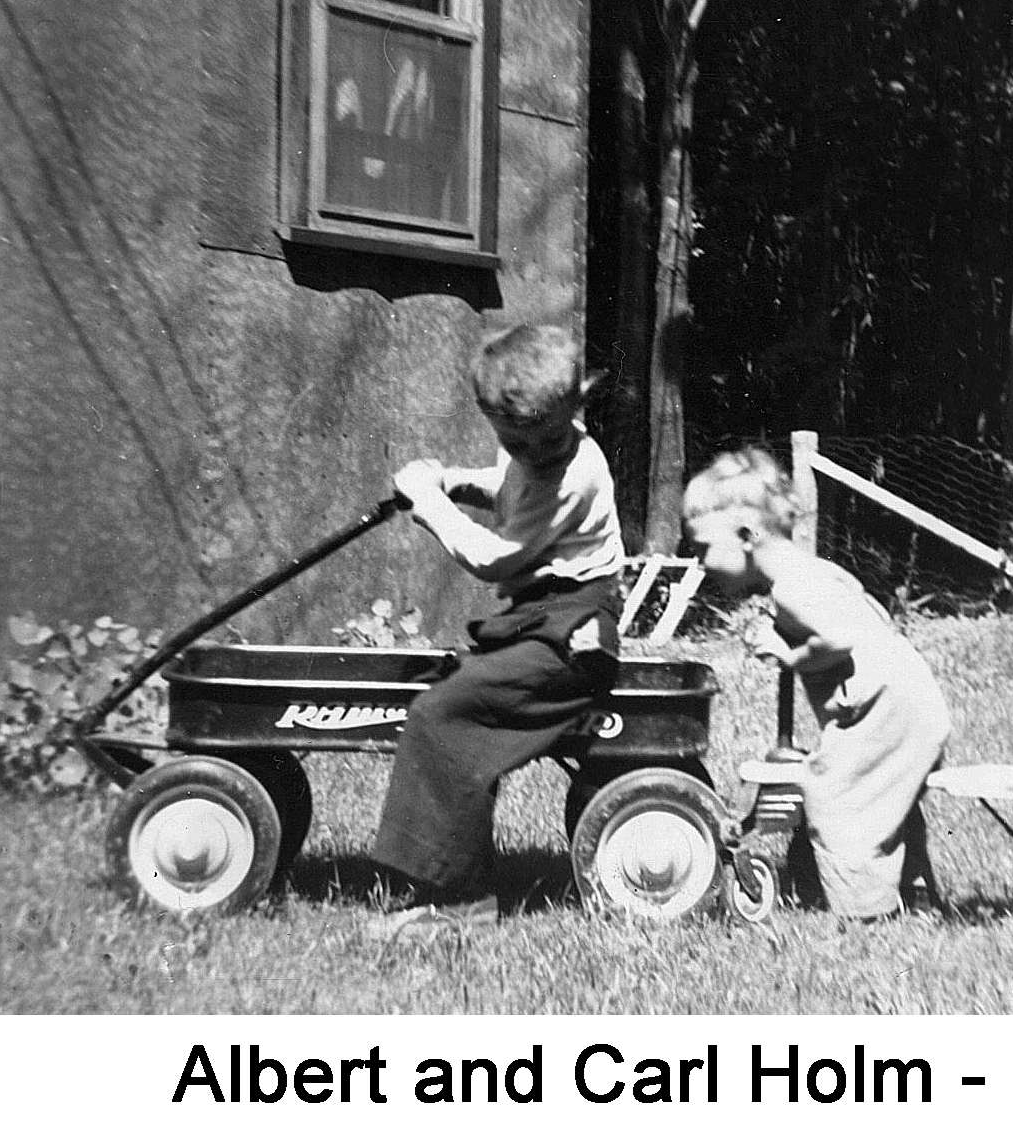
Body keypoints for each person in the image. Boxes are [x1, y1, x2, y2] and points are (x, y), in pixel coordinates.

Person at [371, 323, 626, 937]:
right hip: (540, 619)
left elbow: (496, 559)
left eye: (547, 436)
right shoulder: (538, 455)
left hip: (572, 634)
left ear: (576, 405)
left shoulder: (572, 473)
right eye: (516, 440)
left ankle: (457, 902)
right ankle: (440, 880)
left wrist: (429, 503)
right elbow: (514, 489)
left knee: (447, 714)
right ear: (494, 422)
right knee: (454, 697)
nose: (533, 451)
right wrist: (457, 481)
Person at [682, 448, 952, 921]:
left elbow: (839, 638)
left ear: (746, 536)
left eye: (703, 547)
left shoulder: (791, 586)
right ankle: (917, 897)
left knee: (838, 796)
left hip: (887, 709)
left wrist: (791, 655)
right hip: (909, 698)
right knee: (884, 801)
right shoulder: (814, 571)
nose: (700, 561)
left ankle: (865, 915)